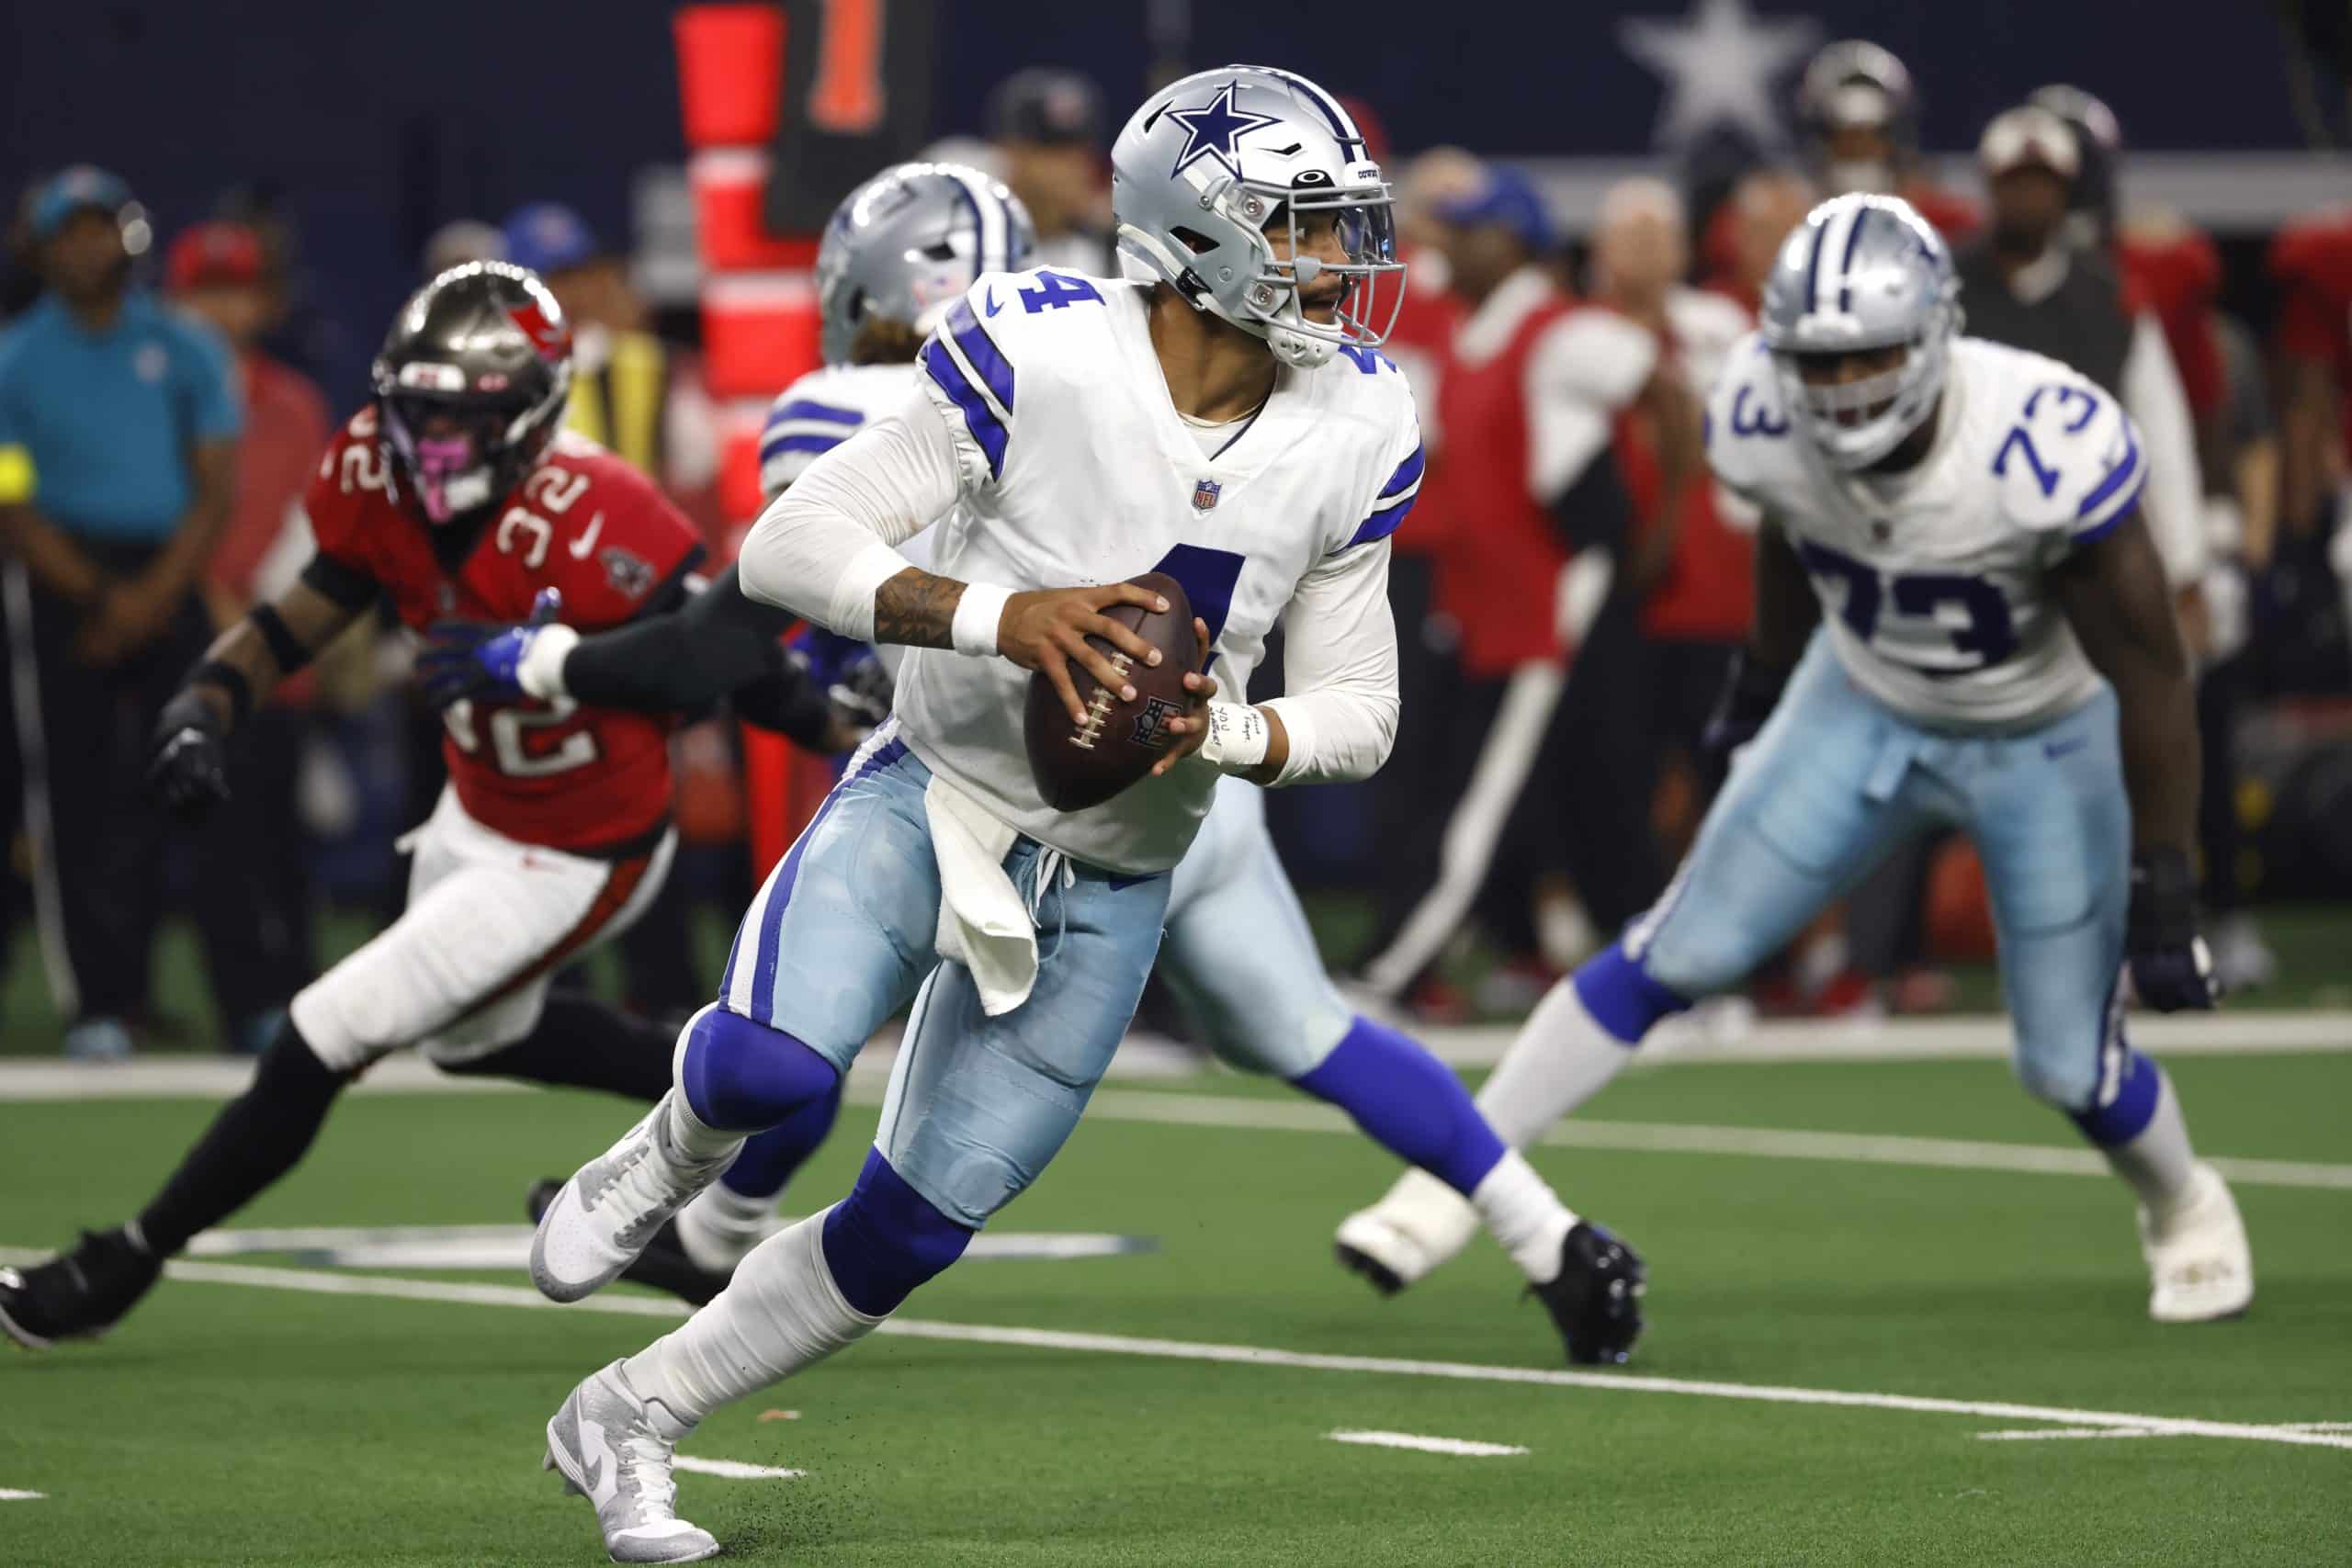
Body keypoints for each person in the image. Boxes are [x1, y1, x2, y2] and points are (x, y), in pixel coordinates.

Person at [523, 70, 1644, 1564]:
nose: (1339, 266)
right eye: (1302, 230)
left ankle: (628, 1416)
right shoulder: (1037, 345)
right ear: (1196, 235)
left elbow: (1363, 710)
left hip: (1119, 875)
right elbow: (790, 548)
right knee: (765, 1065)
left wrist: (1229, 727)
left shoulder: (1364, 416)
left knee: (911, 1231)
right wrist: (1007, 618)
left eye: (1338, 230)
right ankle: (664, 1150)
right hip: (940, 789)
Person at [1336, 194, 2253, 1331]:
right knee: (1670, 950)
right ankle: (1453, 1177)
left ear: (1933, 335)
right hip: (1861, 699)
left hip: (2038, 736)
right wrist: (1767, 678)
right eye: (1817, 361)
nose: (1842, 387)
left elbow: (2154, 669)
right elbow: (1784, 523)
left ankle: (2185, 1203)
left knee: (2067, 1064)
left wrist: (2165, 878)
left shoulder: (2037, 439)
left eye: (1868, 354)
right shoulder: (1762, 408)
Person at [0, 263, 834, 1350]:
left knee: (324, 1030)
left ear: (531, 413)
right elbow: (301, 615)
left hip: (582, 843)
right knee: (475, 1040)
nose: (431, 440)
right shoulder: (373, 471)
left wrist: (564, 666)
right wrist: (208, 701)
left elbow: (716, 658)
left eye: (462, 416)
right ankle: (730, 1073)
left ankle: (123, 1260)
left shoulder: (596, 510)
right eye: (418, 410)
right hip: (478, 808)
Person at [1353, 160, 1663, 1012]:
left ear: (1517, 241)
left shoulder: (1555, 330)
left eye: (1478, 227)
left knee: (1491, 795)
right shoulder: (1469, 328)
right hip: (1488, 594)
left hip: (1556, 592)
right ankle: (1660, 968)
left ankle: (1393, 970)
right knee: (1575, 792)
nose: (1458, 240)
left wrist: (1652, 542)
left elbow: (1659, 403)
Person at [0, 166, 243, 1059]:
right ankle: (99, 1003)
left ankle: (247, 997)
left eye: (100, 228)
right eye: (68, 232)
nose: (87, 247)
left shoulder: (184, 348)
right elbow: (10, 495)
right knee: (74, 798)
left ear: (130, 237)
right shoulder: (13, 359)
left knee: (209, 777)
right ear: (40, 249)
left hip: (170, 572)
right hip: (61, 584)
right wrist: (98, 595)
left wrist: (155, 593)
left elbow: (216, 483)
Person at [164, 219, 335, 1044]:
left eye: (238, 291)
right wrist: (208, 600)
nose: (225, 310)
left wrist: (263, 622)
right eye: (208, 292)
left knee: (281, 838)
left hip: (277, 655)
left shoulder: (295, 404)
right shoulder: (159, 395)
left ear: (264, 302)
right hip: (182, 648)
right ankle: (238, 1004)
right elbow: (159, 514)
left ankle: (300, 1004)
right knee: (214, 839)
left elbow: (316, 523)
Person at [1793, 39, 1977, 239]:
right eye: (1846, 141)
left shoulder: (1942, 225)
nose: (1859, 153)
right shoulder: (1792, 227)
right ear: (1822, 144)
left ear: (1895, 143)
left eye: (1870, 139)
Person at [982, 67, 1114, 275]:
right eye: (1054, 150)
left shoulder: (1109, 252)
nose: (1073, 165)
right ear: (1011, 151)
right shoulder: (969, 235)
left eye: (1079, 148)